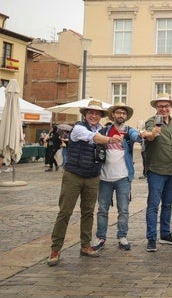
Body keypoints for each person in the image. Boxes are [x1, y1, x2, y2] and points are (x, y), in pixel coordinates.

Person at [47, 100, 122, 266]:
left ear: (101, 116)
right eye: (90, 113)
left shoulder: (102, 129)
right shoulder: (79, 128)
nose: (94, 115)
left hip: (92, 176)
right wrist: (110, 140)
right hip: (73, 174)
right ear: (85, 114)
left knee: (88, 212)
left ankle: (85, 245)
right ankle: (55, 249)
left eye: (97, 113)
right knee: (65, 212)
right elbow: (94, 138)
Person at [92, 103, 143, 252]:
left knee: (124, 209)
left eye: (123, 113)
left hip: (123, 177)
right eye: (118, 113)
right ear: (113, 115)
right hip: (104, 177)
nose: (121, 115)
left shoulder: (129, 132)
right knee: (102, 209)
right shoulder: (104, 131)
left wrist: (142, 135)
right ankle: (101, 237)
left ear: (126, 117)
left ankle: (122, 236)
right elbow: (95, 140)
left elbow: (137, 137)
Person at [142, 93, 172, 252]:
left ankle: (165, 234)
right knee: (153, 206)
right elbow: (148, 135)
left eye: (166, 106)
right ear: (156, 108)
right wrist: (152, 134)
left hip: (171, 170)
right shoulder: (152, 121)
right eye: (160, 106)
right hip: (156, 171)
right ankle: (151, 238)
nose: (164, 109)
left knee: (167, 205)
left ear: (170, 107)